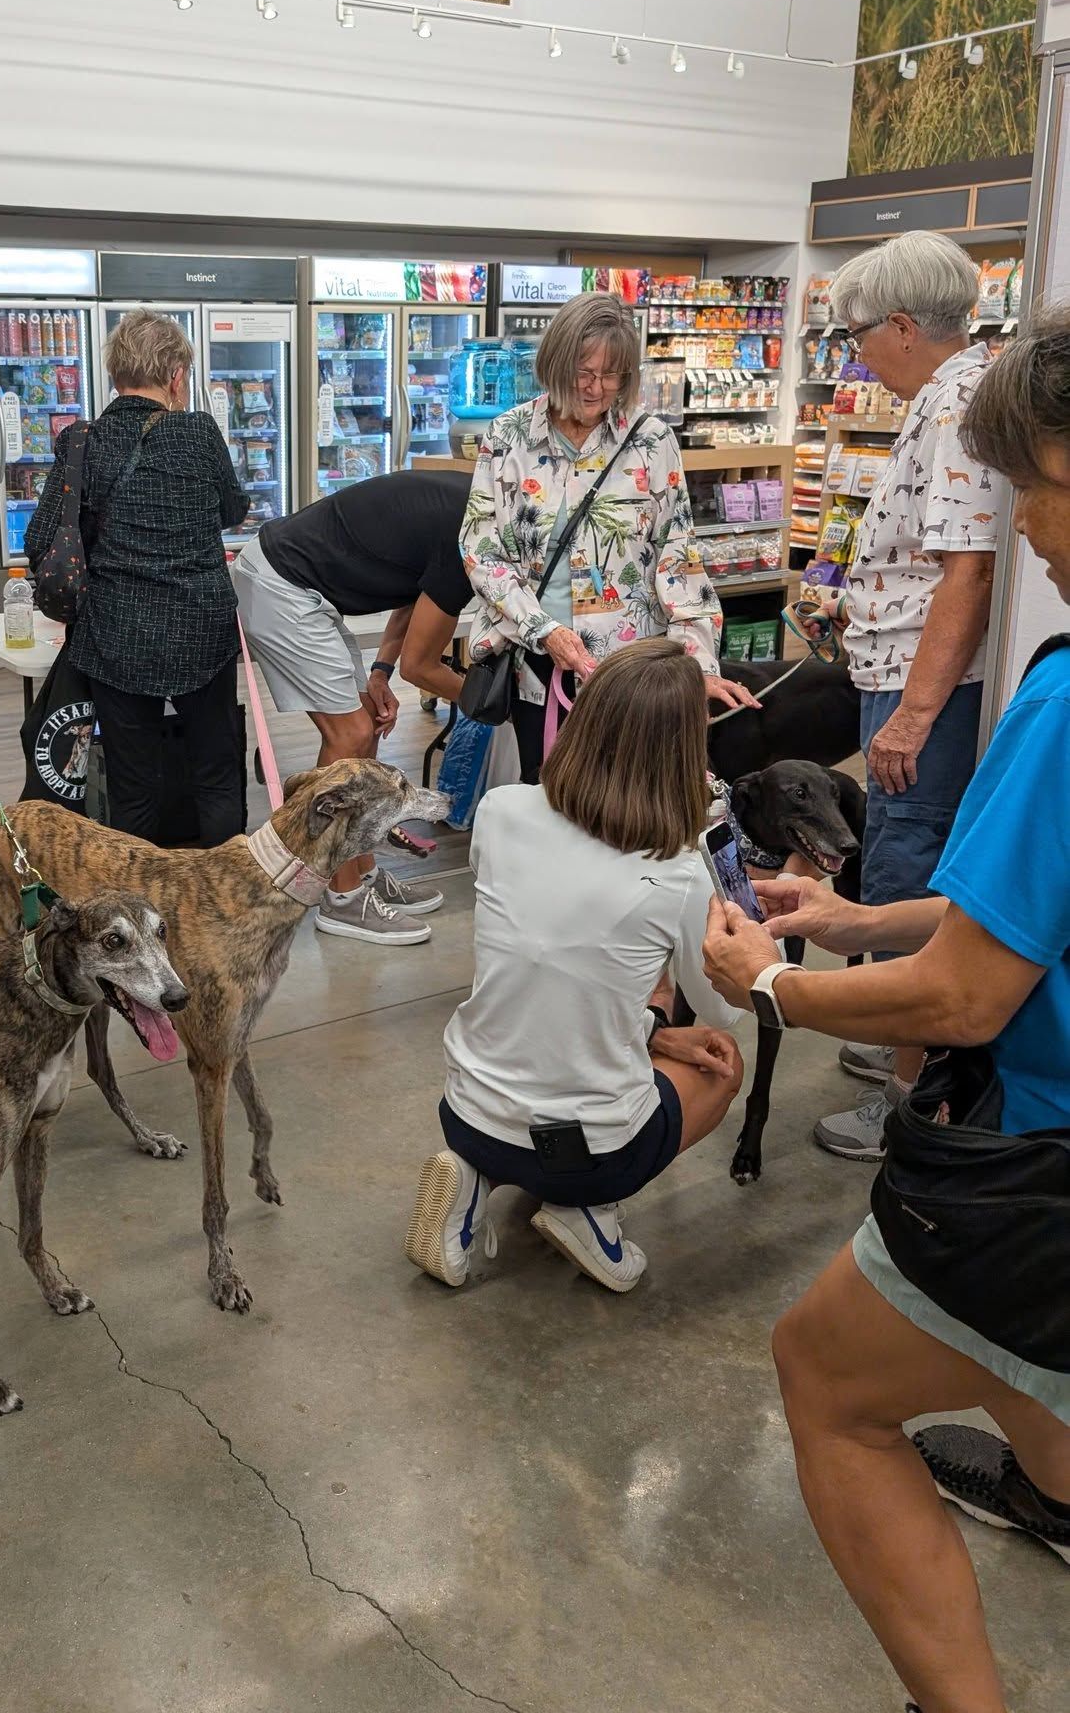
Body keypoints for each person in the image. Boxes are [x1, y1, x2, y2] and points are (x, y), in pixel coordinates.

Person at [701, 313, 1070, 1713]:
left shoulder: (1061, 711)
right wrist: (851, 926)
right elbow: (1014, 923)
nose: (1024, 529)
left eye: (1033, 487)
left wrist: (773, 987)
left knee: (826, 1380)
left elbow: (967, 999)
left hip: (1033, 1163)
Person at [404, 637, 745, 1292]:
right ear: (684, 754)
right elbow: (726, 1003)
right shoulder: (678, 872)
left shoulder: (502, 812)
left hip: (465, 1110)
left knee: (595, 1002)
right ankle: (585, 1210)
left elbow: (546, 949)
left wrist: (646, 1017)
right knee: (721, 1062)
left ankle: (473, 1181)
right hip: (591, 1154)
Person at [808, 232, 1000, 1166]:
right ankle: (899, 1041)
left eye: (855, 338)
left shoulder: (957, 403)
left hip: (921, 691)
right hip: (896, 677)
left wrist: (917, 715)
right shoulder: (947, 396)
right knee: (900, 856)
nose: (856, 358)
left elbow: (968, 570)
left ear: (899, 325)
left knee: (904, 872)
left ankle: (909, 1102)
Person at [460, 290, 757, 786]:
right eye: (584, 372)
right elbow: (481, 550)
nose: (597, 388)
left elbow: (679, 557)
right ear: (555, 363)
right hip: (538, 665)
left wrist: (698, 666)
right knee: (549, 800)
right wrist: (544, 631)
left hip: (631, 675)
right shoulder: (507, 437)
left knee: (626, 807)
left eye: (612, 375)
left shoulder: (651, 440)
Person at [26, 308, 249, 849]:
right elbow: (233, 508)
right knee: (217, 771)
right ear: (175, 374)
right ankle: (225, 900)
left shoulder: (83, 441)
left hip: (116, 635)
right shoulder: (198, 431)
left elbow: (40, 540)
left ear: (115, 373)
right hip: (202, 629)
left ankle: (134, 912)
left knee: (132, 786)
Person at [232, 469, 472, 945]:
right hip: (284, 583)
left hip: (297, 582)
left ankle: (360, 873)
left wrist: (378, 671)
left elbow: (416, 599)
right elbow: (421, 668)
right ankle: (341, 899)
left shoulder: (472, 508)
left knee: (364, 730)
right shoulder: (471, 536)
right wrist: (490, 704)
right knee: (351, 735)